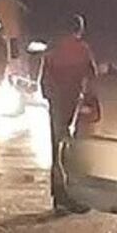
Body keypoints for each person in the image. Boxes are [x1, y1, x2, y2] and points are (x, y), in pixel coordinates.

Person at [40, 14, 96, 212]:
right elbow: (92, 78)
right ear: (78, 30)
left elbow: (44, 82)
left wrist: (52, 99)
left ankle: (58, 197)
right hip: (74, 107)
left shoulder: (52, 50)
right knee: (73, 151)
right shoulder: (82, 50)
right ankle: (72, 197)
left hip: (56, 106)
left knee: (57, 151)